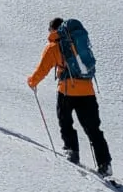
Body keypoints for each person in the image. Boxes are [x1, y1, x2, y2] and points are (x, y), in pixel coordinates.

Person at [27, 17, 112, 177]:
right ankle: (105, 163)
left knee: (65, 121)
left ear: (53, 30)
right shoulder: (78, 42)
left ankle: (72, 151)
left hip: (67, 91)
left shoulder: (54, 46)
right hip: (88, 91)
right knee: (93, 129)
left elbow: (43, 68)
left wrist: (32, 81)